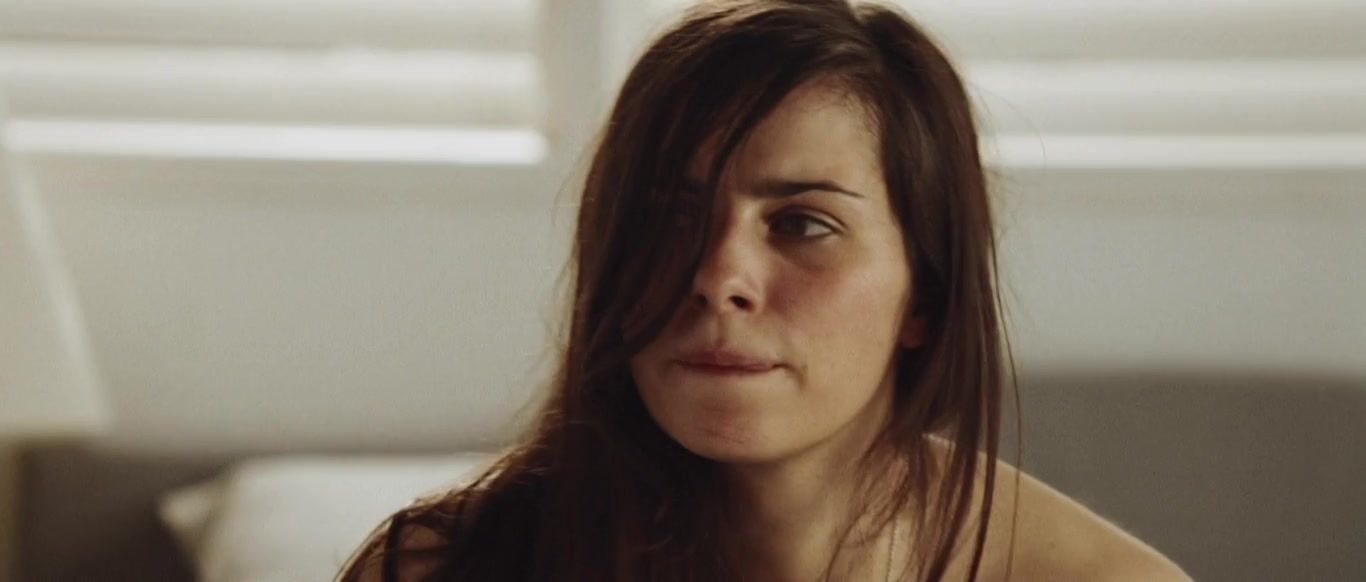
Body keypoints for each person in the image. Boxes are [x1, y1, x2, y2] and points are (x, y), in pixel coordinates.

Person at [339, 1, 1190, 580]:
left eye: (802, 225)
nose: (718, 278)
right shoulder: (445, 569)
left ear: (924, 295)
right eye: (671, 217)